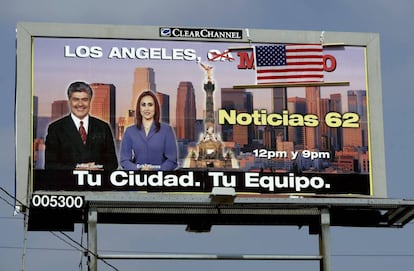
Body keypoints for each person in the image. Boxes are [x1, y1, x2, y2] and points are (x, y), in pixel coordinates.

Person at [45, 81, 118, 170]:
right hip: (67, 182)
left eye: (84, 99)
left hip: (96, 182)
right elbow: (50, 166)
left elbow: (112, 164)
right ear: (70, 101)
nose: (80, 104)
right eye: (76, 99)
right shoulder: (55, 129)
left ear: (90, 101)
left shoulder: (103, 127)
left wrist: (96, 168)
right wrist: (78, 168)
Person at [120, 90, 178, 171]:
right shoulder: (130, 131)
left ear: (155, 107)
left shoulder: (167, 130)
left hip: (161, 178)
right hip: (137, 178)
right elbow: (124, 161)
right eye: (143, 105)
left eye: (150, 105)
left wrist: (155, 170)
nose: (147, 108)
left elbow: (172, 161)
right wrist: (139, 169)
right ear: (139, 108)